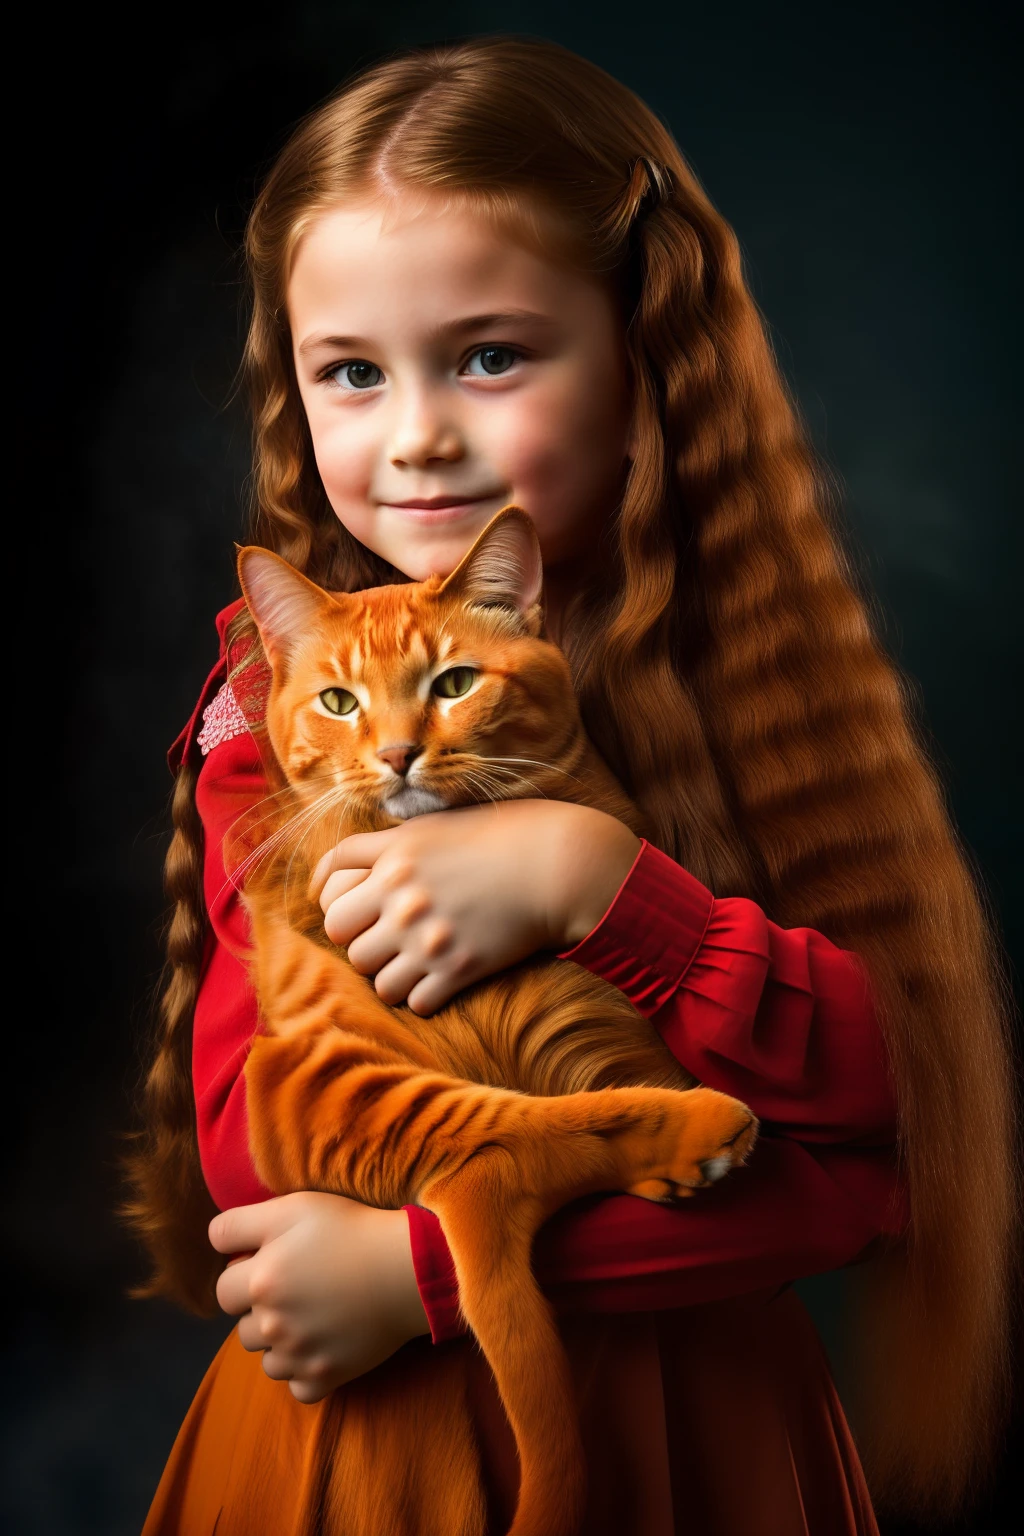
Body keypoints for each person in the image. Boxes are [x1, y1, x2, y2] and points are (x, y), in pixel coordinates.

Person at [130, 37, 1016, 1536]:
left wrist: (595, 886)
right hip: (375, 1448)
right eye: (351, 371)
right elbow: (262, 1153)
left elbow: (880, 1156)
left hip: (708, 1438)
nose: (415, 434)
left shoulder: (758, 678)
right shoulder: (274, 707)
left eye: (489, 355)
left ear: (646, 360)